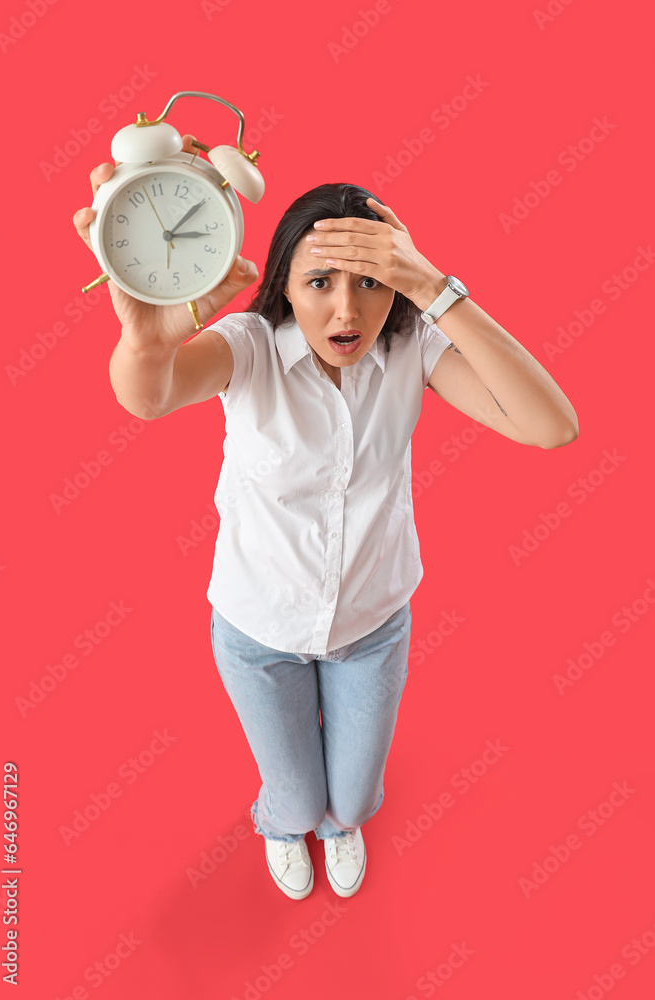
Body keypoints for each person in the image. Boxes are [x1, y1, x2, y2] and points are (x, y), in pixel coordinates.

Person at [73, 135, 579, 902]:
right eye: (319, 283)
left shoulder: (411, 344)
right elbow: (145, 396)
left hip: (370, 626)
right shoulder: (246, 348)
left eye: (373, 282)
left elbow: (551, 426)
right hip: (257, 630)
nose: (347, 310)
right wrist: (145, 339)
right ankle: (281, 825)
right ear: (284, 285)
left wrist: (436, 288)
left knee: (351, 801)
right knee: (297, 802)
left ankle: (338, 825)